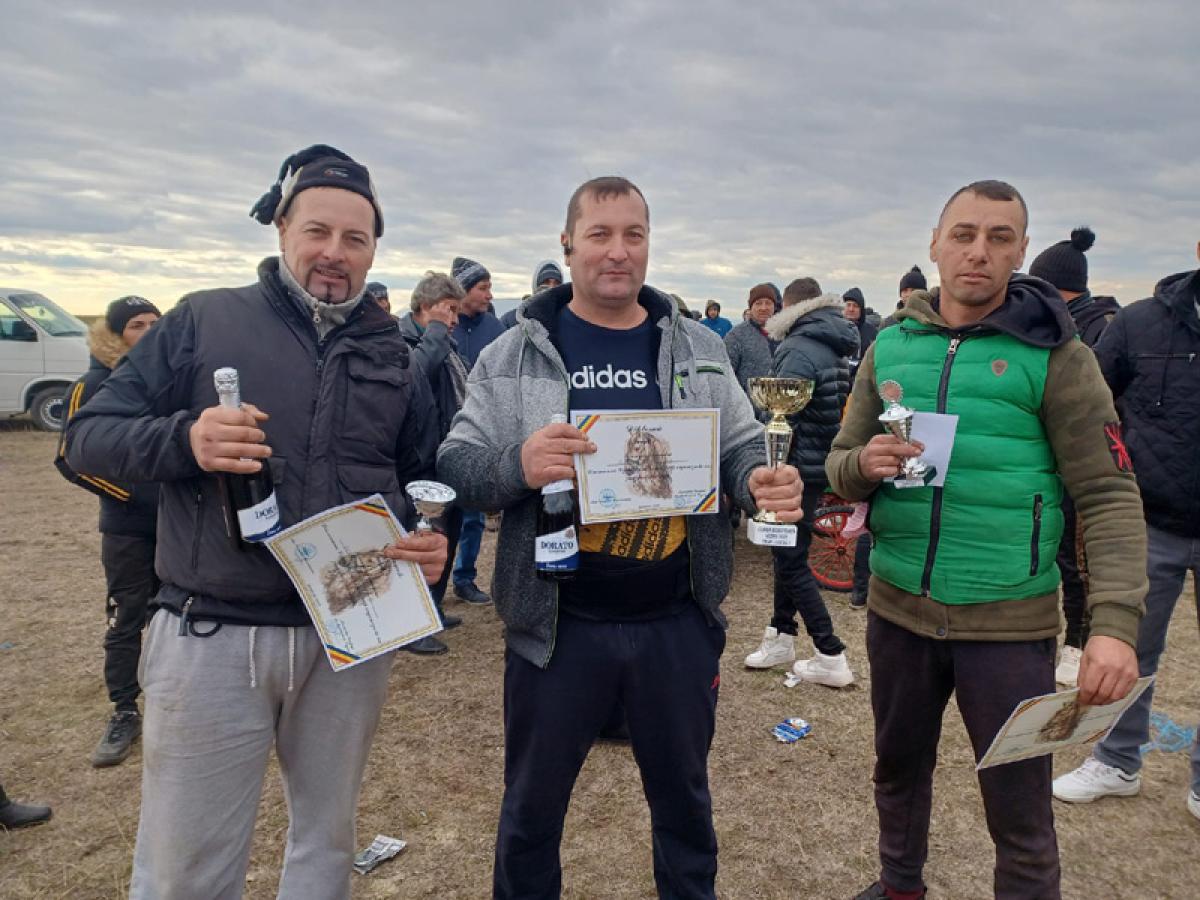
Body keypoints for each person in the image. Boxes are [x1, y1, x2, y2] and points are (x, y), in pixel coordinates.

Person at [64, 144, 447, 899]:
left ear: (374, 250)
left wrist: (425, 541)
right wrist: (187, 439)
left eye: (355, 238)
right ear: (281, 230)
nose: (334, 253)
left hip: (348, 638)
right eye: (317, 231)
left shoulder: (393, 352)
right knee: (186, 865)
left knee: (326, 847)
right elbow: (86, 438)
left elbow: (415, 476)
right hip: (212, 631)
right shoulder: (204, 319)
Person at [438, 175, 803, 899]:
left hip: (675, 621)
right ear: (568, 244)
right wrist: (518, 464)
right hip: (558, 628)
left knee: (685, 810)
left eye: (633, 235)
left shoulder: (696, 345)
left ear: (648, 244)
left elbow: (737, 446)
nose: (618, 251)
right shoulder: (513, 354)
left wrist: (756, 479)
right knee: (531, 815)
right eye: (600, 234)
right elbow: (456, 464)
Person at [827, 180, 1145, 900]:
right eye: (964, 234)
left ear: (1021, 251)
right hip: (898, 609)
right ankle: (900, 887)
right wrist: (864, 464)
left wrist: (1114, 626)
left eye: (999, 237)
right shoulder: (889, 345)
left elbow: (1108, 494)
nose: (979, 251)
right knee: (897, 771)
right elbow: (841, 465)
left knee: (1019, 808)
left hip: (1008, 624)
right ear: (936, 245)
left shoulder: (1059, 356)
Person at [1052, 239, 1200, 823]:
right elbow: (1090, 405)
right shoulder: (1140, 323)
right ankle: (1117, 759)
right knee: (1129, 646)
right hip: (1151, 520)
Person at [54, 296, 162, 768]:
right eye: (138, 325)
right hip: (128, 527)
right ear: (116, 334)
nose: (149, 332)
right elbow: (71, 458)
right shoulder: (94, 384)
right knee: (126, 616)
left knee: (176, 614)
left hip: (177, 525)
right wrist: (132, 497)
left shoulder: (167, 378)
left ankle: (174, 699)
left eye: (156, 323)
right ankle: (124, 710)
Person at [743, 285, 858, 686]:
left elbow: (782, 415)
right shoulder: (833, 342)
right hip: (817, 460)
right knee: (786, 554)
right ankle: (781, 634)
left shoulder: (797, 348)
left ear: (789, 307)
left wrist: (770, 460)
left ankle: (830, 652)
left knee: (791, 561)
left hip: (793, 467)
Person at [1026, 226, 1120, 686]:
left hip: (1084, 462)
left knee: (1081, 562)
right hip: (1054, 464)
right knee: (1061, 554)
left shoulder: (1099, 329)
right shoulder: (1066, 322)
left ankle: (1079, 643)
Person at [398, 271, 471, 654]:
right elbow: (414, 379)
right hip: (418, 466)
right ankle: (411, 626)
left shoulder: (446, 346)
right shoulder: (401, 343)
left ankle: (433, 610)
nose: (455, 319)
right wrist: (437, 331)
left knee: (447, 536)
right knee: (423, 540)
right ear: (426, 307)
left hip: (446, 458)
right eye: (449, 310)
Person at [449, 255, 504, 607]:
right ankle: (429, 588)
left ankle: (465, 578)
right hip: (443, 431)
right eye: (483, 288)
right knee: (439, 516)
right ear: (463, 290)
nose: (489, 295)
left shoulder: (495, 330)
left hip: (482, 434)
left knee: (472, 515)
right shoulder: (444, 324)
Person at [724, 282, 779, 394]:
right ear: (750, 307)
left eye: (768, 303)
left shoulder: (784, 334)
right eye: (758, 303)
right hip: (747, 402)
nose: (763, 308)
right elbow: (725, 375)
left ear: (774, 306)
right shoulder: (736, 336)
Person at [502, 260, 563, 329]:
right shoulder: (510, 321)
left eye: (557, 283)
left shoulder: (567, 320)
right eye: (546, 282)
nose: (551, 288)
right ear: (536, 286)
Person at [879, 266, 927, 330]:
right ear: (900, 294)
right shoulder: (888, 323)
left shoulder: (933, 321)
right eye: (905, 291)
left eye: (913, 290)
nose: (909, 295)